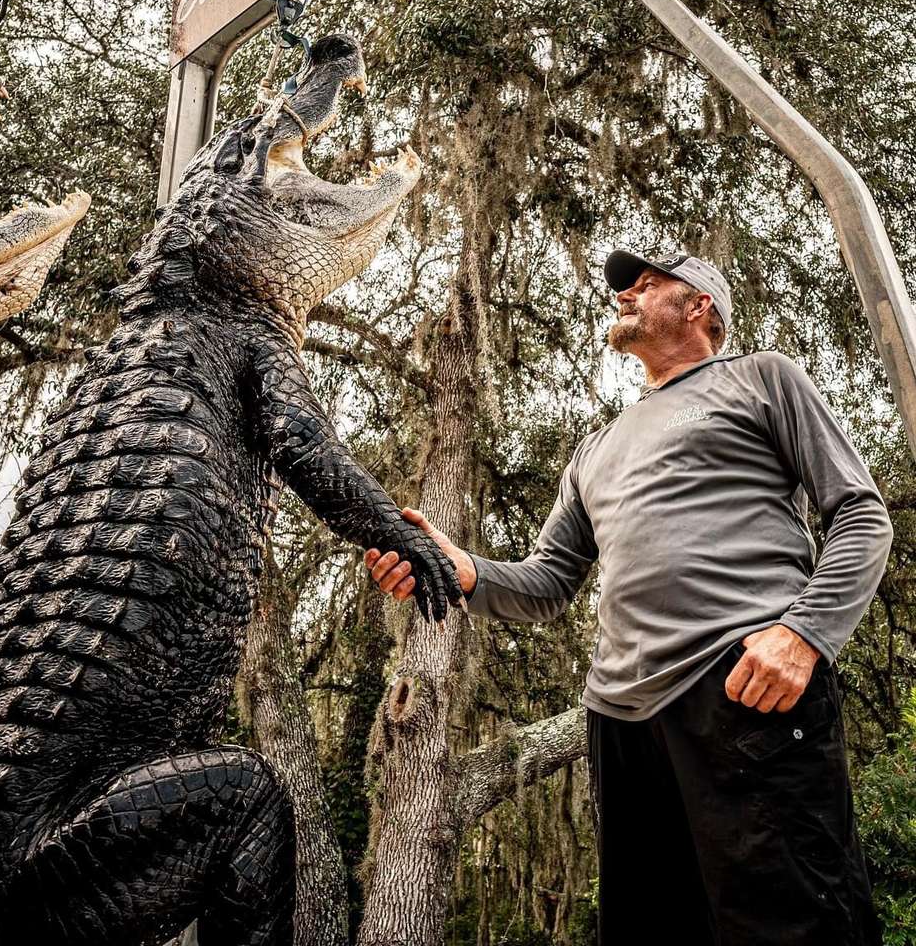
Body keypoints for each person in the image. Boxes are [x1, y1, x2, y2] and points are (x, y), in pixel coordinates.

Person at [365, 249, 892, 945]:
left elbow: (860, 514)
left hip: (743, 688)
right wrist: (460, 568)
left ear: (700, 305)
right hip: (621, 719)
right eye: (625, 287)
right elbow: (549, 582)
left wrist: (803, 634)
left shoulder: (761, 379)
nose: (626, 296)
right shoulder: (596, 449)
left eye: (648, 285)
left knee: (792, 923)